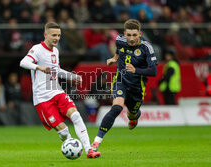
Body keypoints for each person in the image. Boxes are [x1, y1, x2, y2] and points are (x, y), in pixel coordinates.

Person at [19, 22, 101, 158]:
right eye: (53, 35)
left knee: (76, 115)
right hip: (42, 98)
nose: (56, 38)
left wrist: (72, 76)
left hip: (56, 91)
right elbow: (23, 62)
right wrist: (38, 67)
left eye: (59, 35)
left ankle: (89, 150)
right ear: (45, 35)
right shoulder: (37, 49)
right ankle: (68, 143)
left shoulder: (55, 51)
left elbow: (56, 70)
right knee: (63, 132)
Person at [91, 19, 158, 151]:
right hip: (120, 81)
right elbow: (119, 50)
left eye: (134, 35)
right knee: (116, 108)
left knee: (132, 115)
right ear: (124, 34)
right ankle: (96, 143)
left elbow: (154, 71)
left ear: (139, 34)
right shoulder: (119, 40)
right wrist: (114, 59)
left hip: (137, 87)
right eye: (129, 35)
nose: (131, 39)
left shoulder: (146, 47)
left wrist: (136, 70)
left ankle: (134, 116)